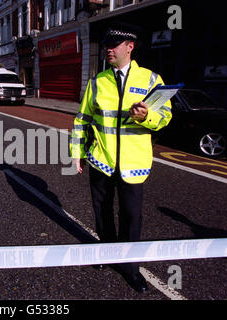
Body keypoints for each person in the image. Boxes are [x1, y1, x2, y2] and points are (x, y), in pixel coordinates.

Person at [70, 24, 172, 293]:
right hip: (101, 161)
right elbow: (82, 120)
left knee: (131, 217)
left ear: (130, 46)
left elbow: (165, 118)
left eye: (115, 44)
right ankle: (107, 252)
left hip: (133, 164)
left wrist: (146, 117)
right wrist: (77, 153)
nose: (109, 48)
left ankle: (130, 268)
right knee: (102, 212)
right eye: (106, 44)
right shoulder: (96, 82)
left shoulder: (151, 80)